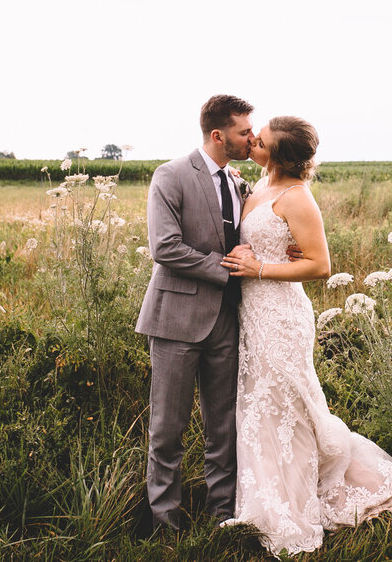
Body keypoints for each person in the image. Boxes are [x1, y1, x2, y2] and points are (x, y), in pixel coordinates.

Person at [220, 116, 392, 556]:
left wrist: (260, 268)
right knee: (261, 403)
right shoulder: (255, 186)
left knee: (286, 402)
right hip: (253, 313)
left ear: (278, 154)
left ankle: (288, 505)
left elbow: (319, 265)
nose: (254, 140)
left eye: (262, 139)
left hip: (282, 316)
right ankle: (264, 495)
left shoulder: (298, 198)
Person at [135, 94, 256, 531]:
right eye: (245, 132)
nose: (252, 138)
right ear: (219, 135)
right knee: (167, 427)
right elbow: (164, 247)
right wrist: (226, 270)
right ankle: (164, 519)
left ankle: (222, 513)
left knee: (222, 426)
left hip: (227, 320)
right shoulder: (169, 176)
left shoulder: (239, 182)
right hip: (176, 320)